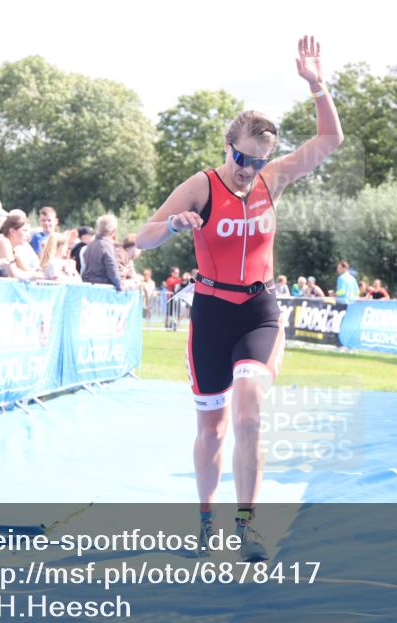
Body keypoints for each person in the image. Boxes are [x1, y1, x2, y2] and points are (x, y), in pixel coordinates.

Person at [135, 35, 342, 561]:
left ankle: (246, 526)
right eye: (242, 158)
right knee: (213, 428)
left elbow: (330, 140)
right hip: (211, 313)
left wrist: (317, 86)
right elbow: (142, 237)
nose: (248, 169)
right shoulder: (203, 185)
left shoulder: (272, 180)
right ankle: (206, 523)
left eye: (258, 160)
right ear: (227, 147)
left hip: (258, 311)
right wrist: (173, 225)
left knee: (249, 413)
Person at [0, 212, 43, 280]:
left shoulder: (14, 251)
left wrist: (40, 274)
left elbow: (27, 270)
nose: (28, 235)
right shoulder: (3, 242)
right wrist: (35, 275)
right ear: (12, 232)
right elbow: (14, 274)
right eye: (25, 231)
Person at [81, 213, 123, 288]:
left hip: (88, 285)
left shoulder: (90, 245)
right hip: (103, 287)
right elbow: (112, 271)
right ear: (113, 231)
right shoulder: (106, 246)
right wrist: (120, 285)